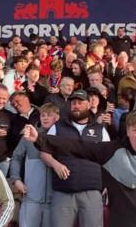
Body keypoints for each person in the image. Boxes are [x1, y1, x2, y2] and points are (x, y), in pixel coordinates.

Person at [43, 89, 110, 227]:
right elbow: (44, 152)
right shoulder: (58, 127)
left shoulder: (99, 129)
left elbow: (108, 157)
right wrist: (56, 165)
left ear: (88, 104)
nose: (76, 106)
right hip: (63, 192)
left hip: (91, 191)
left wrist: (107, 182)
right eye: (73, 103)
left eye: (80, 103)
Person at [9, 103, 60, 227]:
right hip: (31, 196)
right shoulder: (29, 135)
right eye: (43, 115)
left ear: (57, 118)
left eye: (49, 115)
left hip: (56, 199)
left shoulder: (63, 137)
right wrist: (16, 180)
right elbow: (16, 157)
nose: (45, 118)